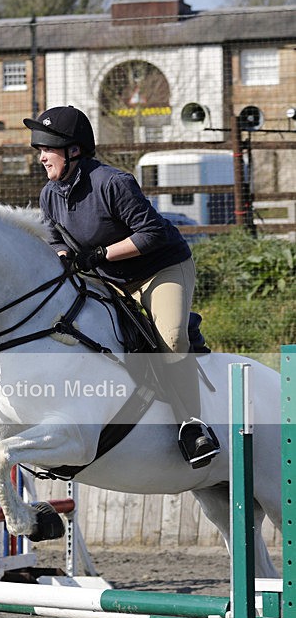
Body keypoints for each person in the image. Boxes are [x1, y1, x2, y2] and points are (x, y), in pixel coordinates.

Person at [23, 104, 220, 469]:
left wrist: (99, 254)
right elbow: (54, 240)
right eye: (39, 150)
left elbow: (152, 233)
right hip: (111, 279)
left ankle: (194, 427)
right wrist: (66, 255)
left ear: (74, 150)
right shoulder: (50, 195)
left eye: (46, 149)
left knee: (172, 339)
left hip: (159, 269)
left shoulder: (113, 183)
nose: (41, 158)